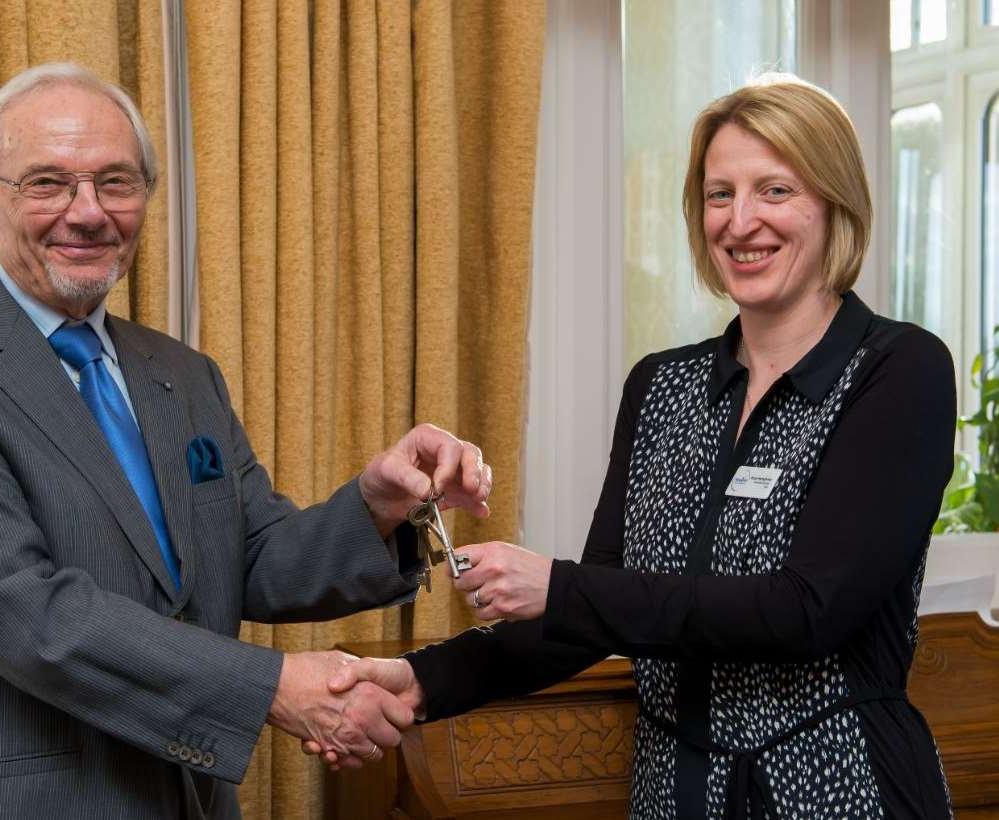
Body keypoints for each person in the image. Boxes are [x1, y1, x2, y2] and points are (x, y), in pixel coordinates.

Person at [0, 63, 491, 820]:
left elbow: (250, 561)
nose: (88, 212)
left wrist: (375, 506)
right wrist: (274, 689)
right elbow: (27, 614)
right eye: (47, 183)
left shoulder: (180, 374)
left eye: (116, 182)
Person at [320, 75, 957, 819]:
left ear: (834, 204)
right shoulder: (661, 385)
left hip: (843, 793)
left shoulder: (899, 369)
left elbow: (806, 610)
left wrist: (558, 586)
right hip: (668, 795)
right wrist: (420, 679)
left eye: (774, 190)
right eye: (718, 194)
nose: (740, 221)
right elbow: (598, 610)